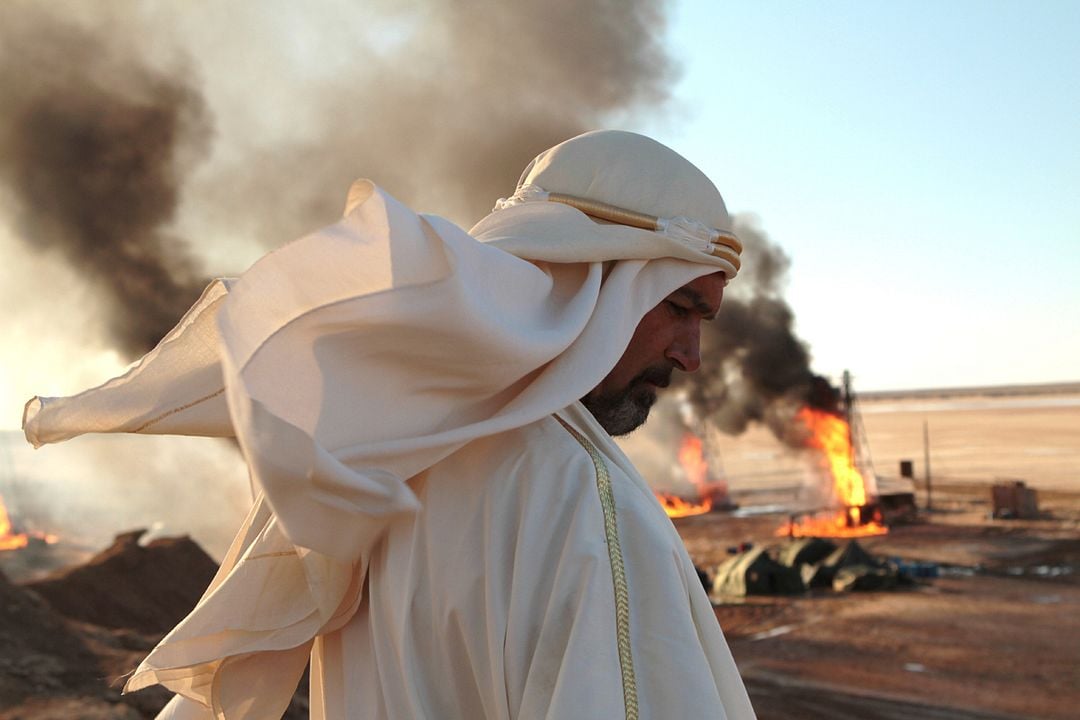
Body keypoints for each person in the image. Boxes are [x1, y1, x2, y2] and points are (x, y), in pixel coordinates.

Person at [24, 130, 757, 719]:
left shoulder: (378, 450)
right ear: (595, 277)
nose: (691, 356)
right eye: (682, 307)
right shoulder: (583, 500)